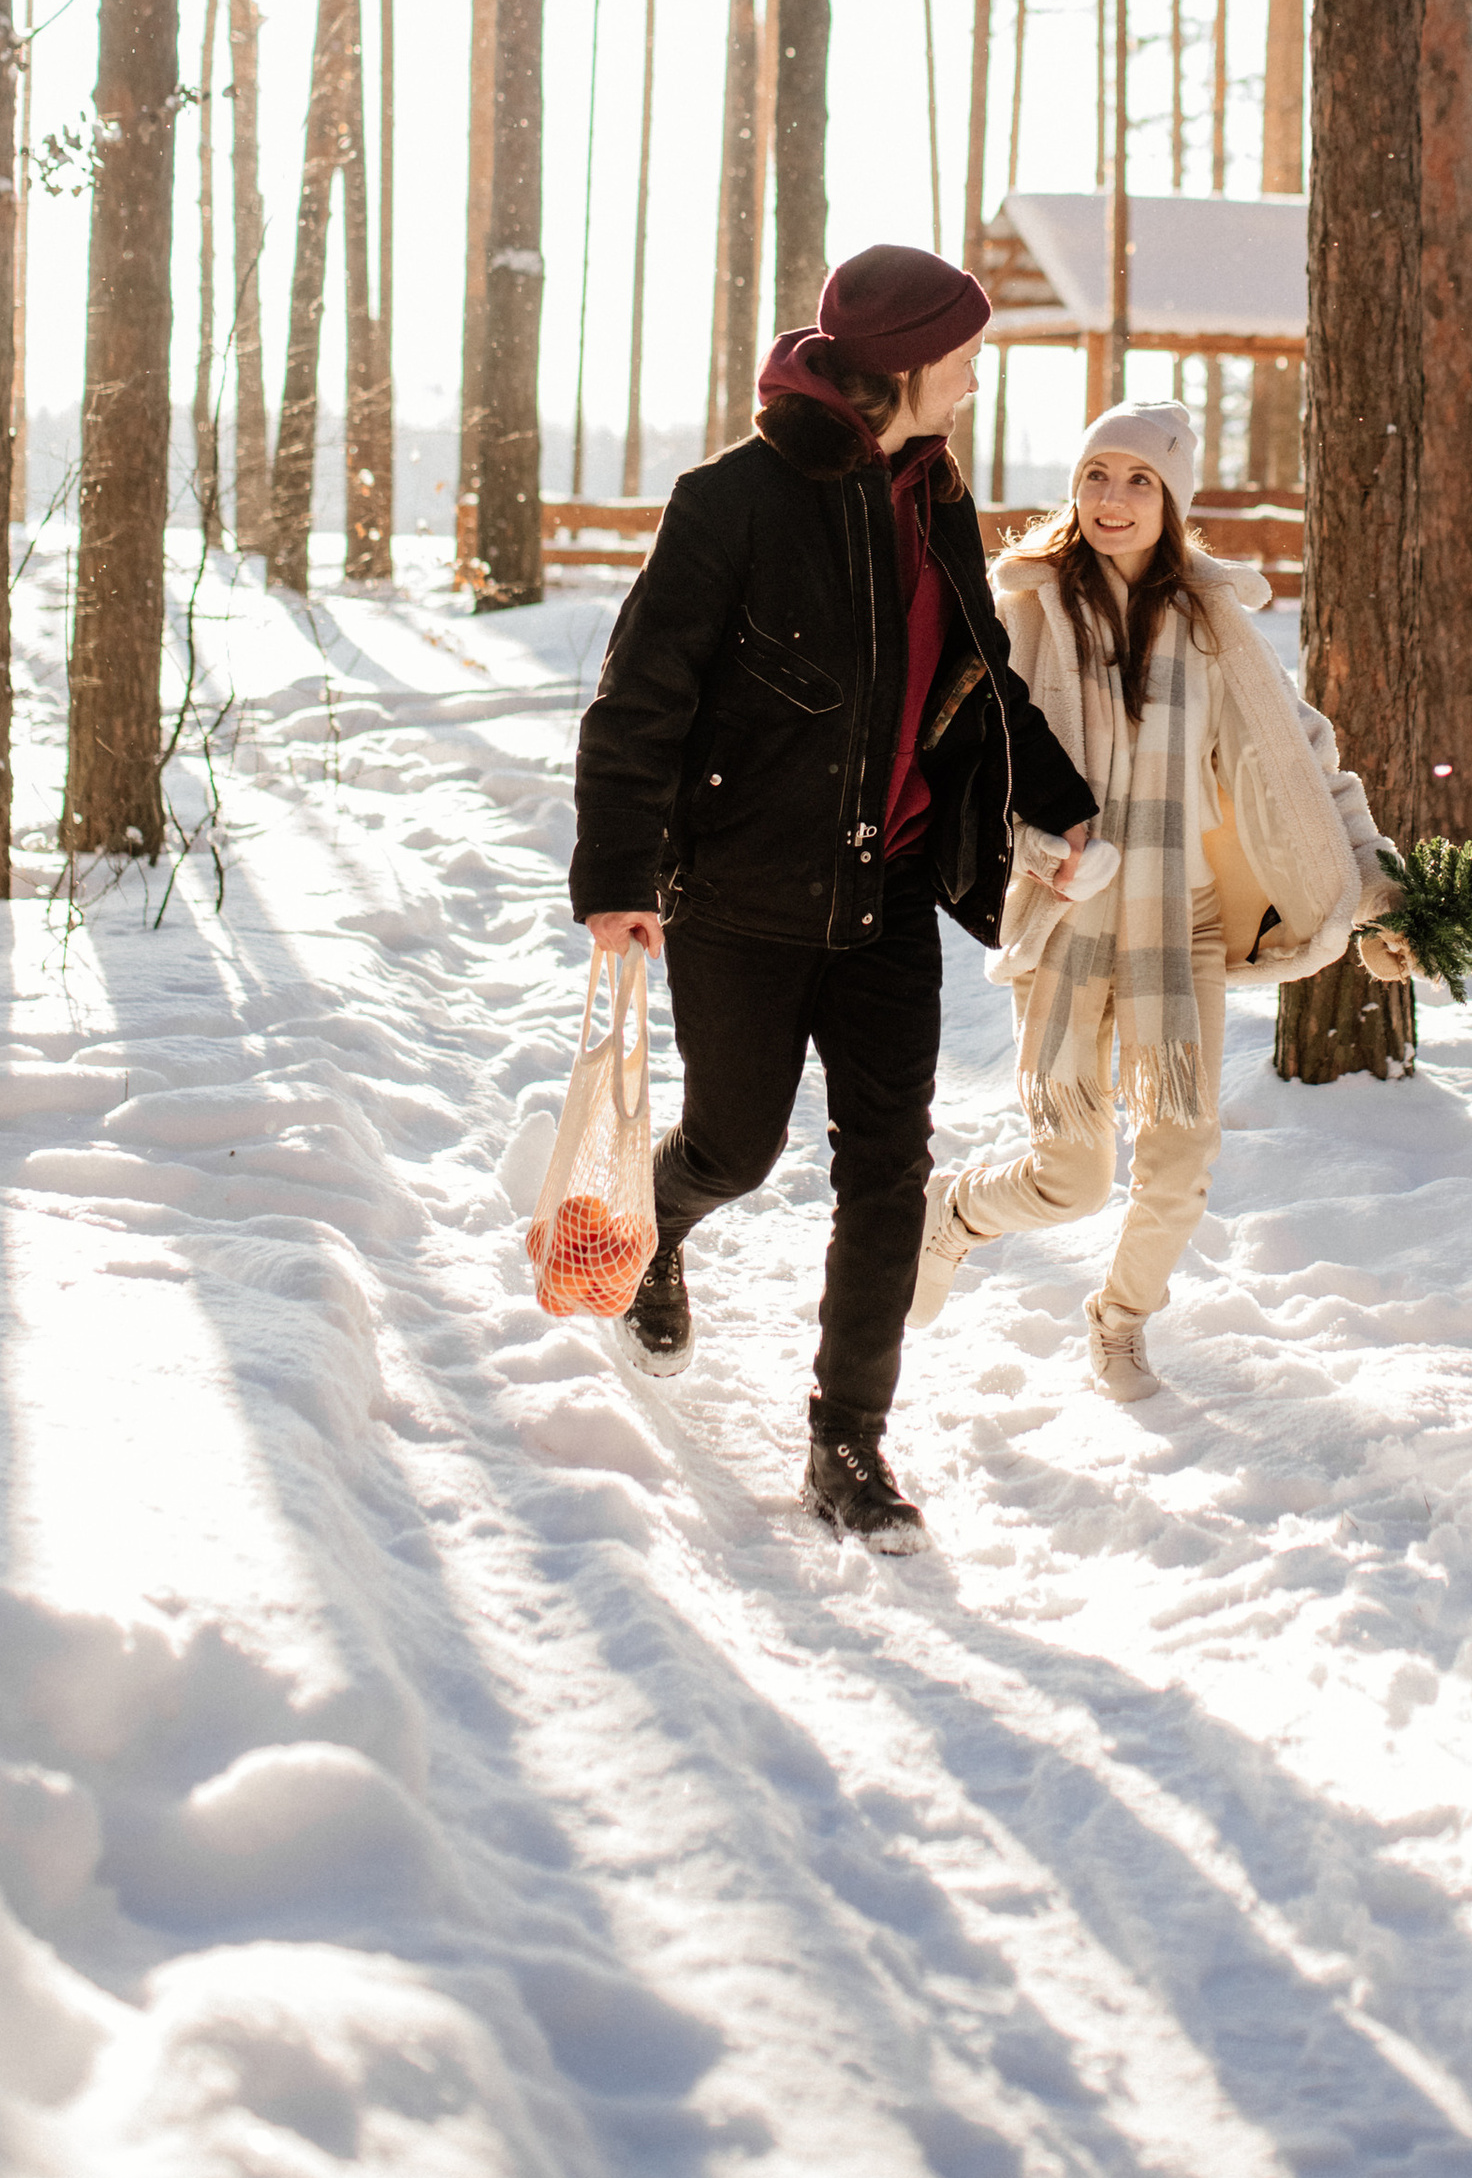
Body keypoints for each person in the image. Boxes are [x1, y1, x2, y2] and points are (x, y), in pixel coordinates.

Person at [568, 245, 1097, 1550]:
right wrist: (619, 879)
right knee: (732, 1147)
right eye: (964, 356)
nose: (976, 379)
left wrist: (1058, 797)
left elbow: (976, 681)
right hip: (743, 893)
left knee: (889, 1172)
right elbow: (639, 703)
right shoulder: (729, 502)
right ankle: (657, 1216)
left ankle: (846, 1442)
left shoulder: (936, 500)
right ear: (906, 362)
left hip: (890, 894)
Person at [911, 398, 1418, 1400]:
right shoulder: (1027, 609)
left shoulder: (1211, 626)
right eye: (1099, 475)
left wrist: (1375, 885)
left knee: (1181, 1162)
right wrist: (1036, 847)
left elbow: (1299, 764)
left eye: (1139, 480)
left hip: (1176, 922)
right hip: (1066, 920)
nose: (1114, 498)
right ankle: (955, 1215)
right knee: (1074, 1175)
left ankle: (1121, 1320)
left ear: (1172, 500)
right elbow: (973, 762)